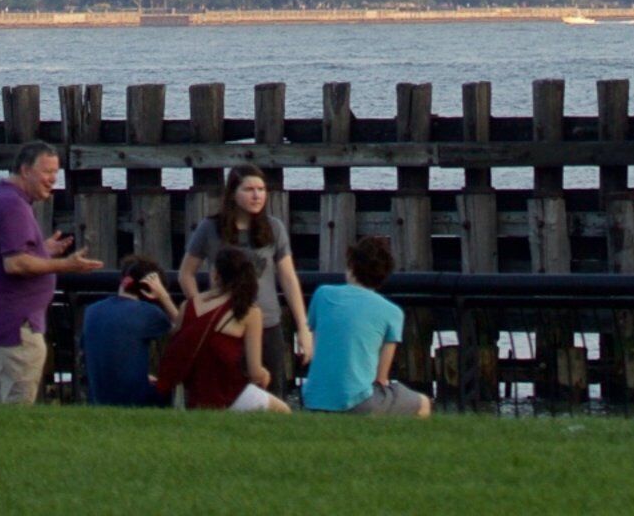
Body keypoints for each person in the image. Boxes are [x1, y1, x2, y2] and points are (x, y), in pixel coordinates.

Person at [0, 142, 102, 405]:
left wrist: (43, 250)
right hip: (16, 327)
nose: (53, 179)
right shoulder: (12, 206)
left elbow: (8, 255)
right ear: (25, 170)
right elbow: (15, 264)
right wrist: (67, 265)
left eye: (56, 173)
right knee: (16, 407)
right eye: (46, 172)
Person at [184, 166, 312, 379]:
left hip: (268, 323)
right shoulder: (210, 228)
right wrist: (203, 308)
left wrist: (303, 327)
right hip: (226, 323)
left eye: (261, 189)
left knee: (271, 389)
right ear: (233, 193)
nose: (256, 195)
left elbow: (288, 279)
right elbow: (186, 274)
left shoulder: (274, 228)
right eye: (249, 189)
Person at [301, 235, 430, 416]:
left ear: (351, 266)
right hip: (356, 401)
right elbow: (380, 378)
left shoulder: (322, 295)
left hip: (314, 399)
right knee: (423, 403)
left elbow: (317, 349)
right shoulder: (392, 312)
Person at [152, 248, 283, 412]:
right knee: (283, 411)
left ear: (216, 275)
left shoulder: (190, 305)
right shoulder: (249, 312)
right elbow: (254, 371)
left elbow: (182, 333)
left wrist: (164, 298)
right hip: (230, 394)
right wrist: (265, 374)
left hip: (195, 395)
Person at [76, 255, 181, 408]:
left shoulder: (91, 311)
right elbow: (187, 331)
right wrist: (164, 296)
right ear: (150, 289)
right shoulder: (149, 313)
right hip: (134, 401)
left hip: (98, 399)